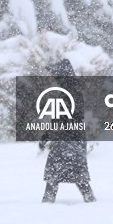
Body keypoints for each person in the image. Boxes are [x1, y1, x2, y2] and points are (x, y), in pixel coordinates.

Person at [39, 58, 95, 203]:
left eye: (53, 73)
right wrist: (48, 135)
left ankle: (47, 203)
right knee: (76, 175)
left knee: (55, 174)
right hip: (71, 139)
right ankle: (90, 200)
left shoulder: (69, 92)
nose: (51, 76)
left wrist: (50, 134)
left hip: (68, 139)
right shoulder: (69, 91)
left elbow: (64, 118)